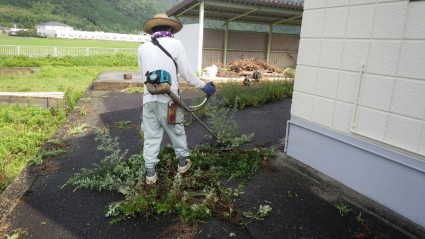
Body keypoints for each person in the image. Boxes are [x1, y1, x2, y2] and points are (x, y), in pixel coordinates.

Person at [138, 13, 216, 185]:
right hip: (170, 101)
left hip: (149, 101)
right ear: (170, 28)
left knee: (151, 137)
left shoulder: (142, 48)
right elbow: (187, 73)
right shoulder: (176, 44)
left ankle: (150, 174)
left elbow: (142, 75)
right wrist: (204, 87)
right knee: (176, 131)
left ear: (153, 30)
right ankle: (182, 164)